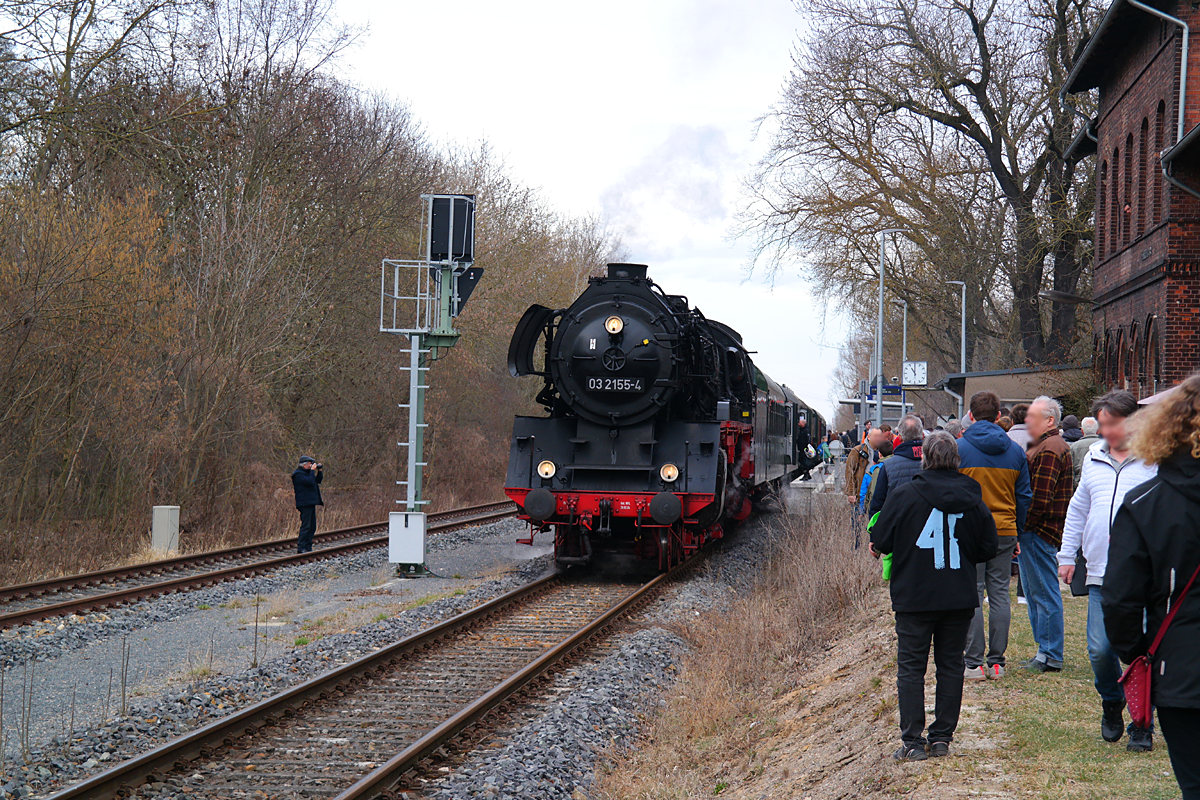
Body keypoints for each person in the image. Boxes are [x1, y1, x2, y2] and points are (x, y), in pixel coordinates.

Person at [870, 431, 999, 761]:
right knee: (951, 665)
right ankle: (942, 738)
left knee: (911, 668)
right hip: (957, 595)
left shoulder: (905, 494)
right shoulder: (974, 497)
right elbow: (988, 548)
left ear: (924, 459)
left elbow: (881, 540)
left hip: (914, 595)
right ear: (957, 459)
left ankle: (912, 742)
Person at [1105, 373, 1200, 796]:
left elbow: (1120, 599)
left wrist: (1137, 652)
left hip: (1182, 668)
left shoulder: (1146, 503)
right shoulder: (1145, 501)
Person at [1057, 390, 1157, 750]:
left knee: (1141, 650)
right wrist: (1067, 555)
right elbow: (1078, 509)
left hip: (1144, 573)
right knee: (1100, 649)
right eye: (1101, 424)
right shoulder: (1094, 457)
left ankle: (1142, 723)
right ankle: (1112, 700)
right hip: (1100, 570)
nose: (1105, 431)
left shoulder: (1154, 460)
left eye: (1111, 424)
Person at [958, 391, 1032, 680]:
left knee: (973, 592)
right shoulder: (1015, 452)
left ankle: (973, 663)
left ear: (971, 416)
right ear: (999, 416)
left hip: (969, 531)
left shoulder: (959, 448)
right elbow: (1023, 497)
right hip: (1004, 529)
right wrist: (1017, 533)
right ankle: (996, 663)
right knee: (1000, 593)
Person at [1021, 396, 1072, 672]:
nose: (1027, 420)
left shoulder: (1050, 448)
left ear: (1050, 420)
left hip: (1038, 531)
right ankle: (1044, 650)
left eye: (1033, 416)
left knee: (1042, 593)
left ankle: (1050, 653)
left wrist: (1022, 526)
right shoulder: (1046, 445)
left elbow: (1039, 499)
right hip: (1037, 530)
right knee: (1035, 593)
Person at [869, 416, 925, 518]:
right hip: (928, 525)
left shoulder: (888, 466)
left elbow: (877, 507)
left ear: (900, 437)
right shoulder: (935, 463)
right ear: (922, 435)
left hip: (896, 524)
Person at [292, 456, 324, 554]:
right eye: (310, 464)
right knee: (306, 526)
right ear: (304, 465)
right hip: (304, 503)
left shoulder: (308, 474)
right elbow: (309, 482)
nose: (311, 466)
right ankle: (301, 547)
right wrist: (312, 471)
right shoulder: (298, 475)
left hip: (310, 503)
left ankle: (308, 546)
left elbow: (317, 481)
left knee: (312, 526)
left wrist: (319, 471)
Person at [860, 439, 895, 513]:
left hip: (878, 509)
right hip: (894, 507)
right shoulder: (897, 466)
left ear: (880, 454)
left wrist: (863, 511)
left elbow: (867, 493)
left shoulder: (873, 472)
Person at [1069, 416, 1101, 485]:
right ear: (1098, 431)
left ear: (1082, 431)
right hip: (1100, 484)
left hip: (1079, 484)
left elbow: (1070, 471)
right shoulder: (1106, 446)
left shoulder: (1074, 447)